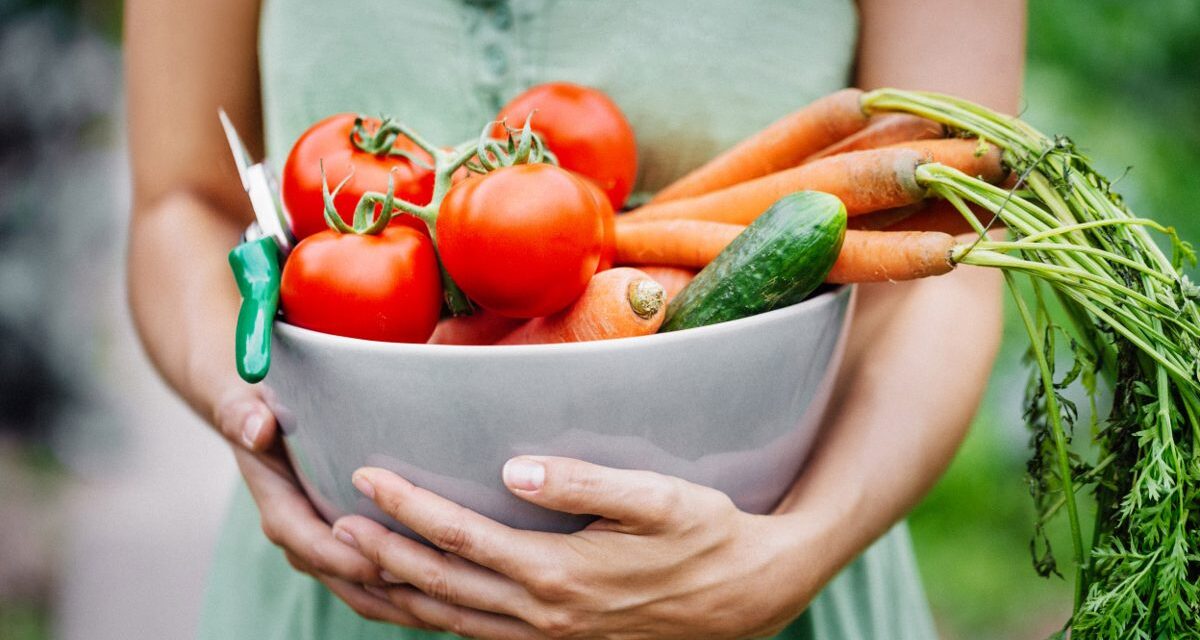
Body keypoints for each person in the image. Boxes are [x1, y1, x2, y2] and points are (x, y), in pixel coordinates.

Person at [125, 0, 1025, 637]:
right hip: (357, 569)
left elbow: (956, 268)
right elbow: (180, 203)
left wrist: (791, 557)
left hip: (753, 587)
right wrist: (244, 404)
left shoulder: (775, 568)